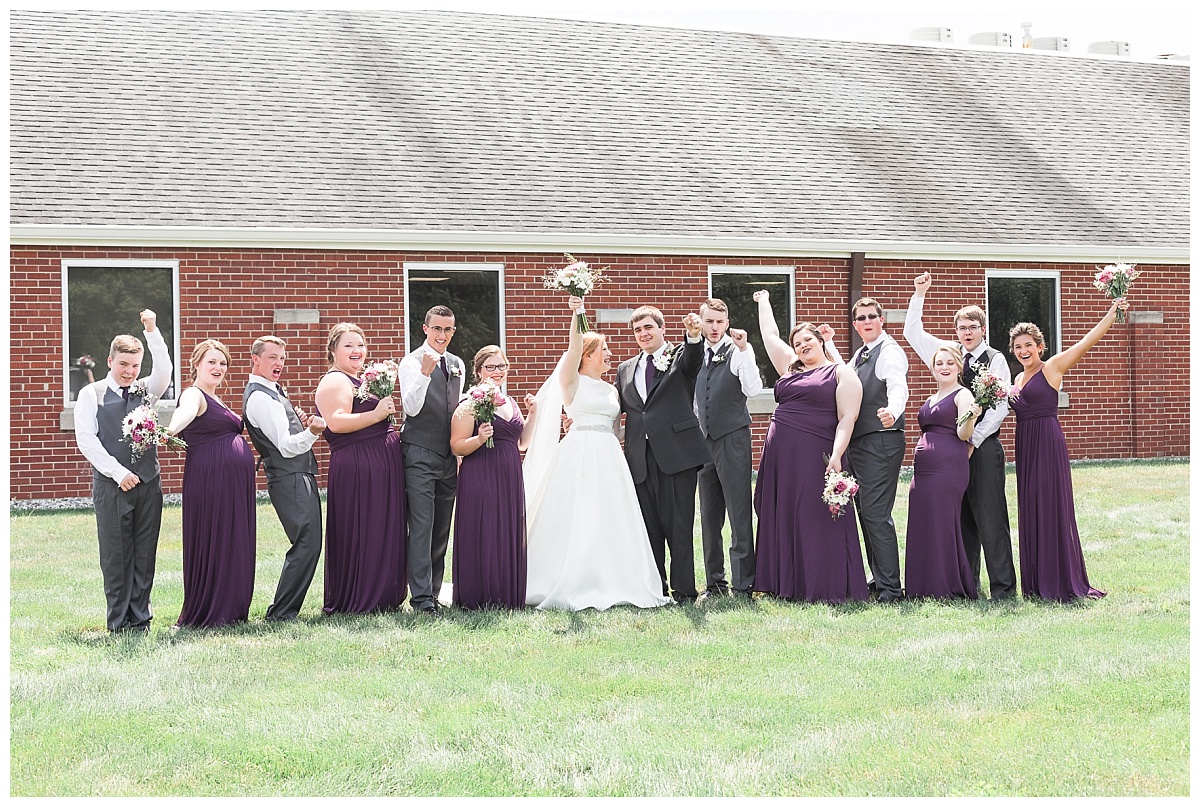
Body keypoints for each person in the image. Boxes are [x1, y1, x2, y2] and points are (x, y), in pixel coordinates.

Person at [524, 297, 671, 611]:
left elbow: (617, 428)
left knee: (612, 517)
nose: (610, 354)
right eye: (603, 350)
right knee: (576, 515)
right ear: (588, 355)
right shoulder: (572, 382)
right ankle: (568, 577)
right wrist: (578, 313)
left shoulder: (612, 389)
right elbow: (573, 348)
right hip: (578, 455)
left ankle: (614, 578)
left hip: (609, 456)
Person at [904, 272, 1017, 600]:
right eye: (961, 328)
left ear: (982, 329)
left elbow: (999, 405)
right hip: (950, 458)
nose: (966, 333)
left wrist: (973, 440)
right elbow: (912, 332)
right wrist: (919, 293)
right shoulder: (948, 354)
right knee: (962, 520)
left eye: (972, 327)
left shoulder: (994, 358)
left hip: (980, 448)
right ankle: (968, 587)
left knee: (990, 518)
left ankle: (1004, 590)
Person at [752, 290, 868, 603]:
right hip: (780, 456)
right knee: (782, 512)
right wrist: (763, 301)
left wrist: (837, 455)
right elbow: (769, 335)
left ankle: (822, 585)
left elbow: (847, 419)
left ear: (820, 340)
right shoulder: (791, 367)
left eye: (808, 340)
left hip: (814, 453)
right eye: (798, 343)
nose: (802, 346)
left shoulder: (841, 372)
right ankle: (784, 583)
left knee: (814, 517)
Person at [1009, 299, 1127, 602]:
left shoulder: (1053, 367)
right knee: (1031, 506)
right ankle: (1036, 581)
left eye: (1029, 345)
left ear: (1040, 346)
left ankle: (1060, 579)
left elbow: (1086, 342)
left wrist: (1111, 315)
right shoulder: (1017, 379)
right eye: (1018, 347)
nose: (1024, 351)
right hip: (1025, 445)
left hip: (1047, 443)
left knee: (1050, 505)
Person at [73, 309, 173, 634]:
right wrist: (117, 473)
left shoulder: (146, 390)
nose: (129, 371)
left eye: (134, 366)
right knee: (116, 555)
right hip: (112, 486)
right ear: (109, 362)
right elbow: (86, 441)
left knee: (145, 553)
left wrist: (152, 330)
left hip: (148, 483)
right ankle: (118, 623)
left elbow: (165, 370)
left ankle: (140, 620)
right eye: (123, 365)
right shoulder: (92, 395)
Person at [615, 305, 710, 604]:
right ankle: (656, 590)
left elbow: (694, 360)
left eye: (648, 328)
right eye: (637, 330)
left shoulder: (681, 356)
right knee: (649, 528)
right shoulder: (625, 369)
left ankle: (684, 592)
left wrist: (694, 336)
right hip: (639, 458)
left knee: (678, 526)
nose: (643, 334)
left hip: (677, 454)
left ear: (661, 328)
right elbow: (623, 410)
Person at [314, 322, 406, 614]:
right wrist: (379, 414)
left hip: (381, 464)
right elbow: (337, 422)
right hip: (358, 466)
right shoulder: (335, 381)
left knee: (382, 526)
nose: (357, 351)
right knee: (364, 527)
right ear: (333, 351)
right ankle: (360, 595)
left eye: (360, 345)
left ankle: (382, 593)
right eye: (348, 346)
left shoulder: (361, 380)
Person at [166, 339, 256, 627]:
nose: (218, 368)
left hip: (232, 484)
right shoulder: (194, 394)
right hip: (211, 480)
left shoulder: (216, 398)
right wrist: (169, 430)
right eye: (211, 362)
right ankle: (210, 609)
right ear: (196, 365)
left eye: (222, 363)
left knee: (231, 538)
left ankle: (230, 606)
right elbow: (187, 411)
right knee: (215, 537)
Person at [243, 335, 326, 622]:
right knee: (306, 542)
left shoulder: (273, 391)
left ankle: (284, 610)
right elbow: (287, 446)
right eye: (272, 357)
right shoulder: (260, 396)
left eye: (282, 357)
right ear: (256, 359)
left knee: (309, 542)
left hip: (297, 474)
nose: (279, 363)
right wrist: (313, 432)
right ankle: (281, 613)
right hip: (288, 476)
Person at [450, 346, 537, 610]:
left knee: (506, 529)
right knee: (483, 528)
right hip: (480, 473)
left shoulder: (510, 403)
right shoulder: (469, 404)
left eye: (501, 366)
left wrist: (533, 413)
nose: (497, 372)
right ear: (478, 372)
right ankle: (478, 594)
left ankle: (505, 593)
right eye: (491, 367)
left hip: (509, 473)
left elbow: (522, 443)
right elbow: (456, 445)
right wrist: (479, 438)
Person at [694, 297, 763, 601]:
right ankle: (714, 583)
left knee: (738, 511)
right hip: (702, 440)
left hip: (733, 438)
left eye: (720, 322)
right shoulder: (693, 353)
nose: (715, 327)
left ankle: (744, 584)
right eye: (709, 321)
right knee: (708, 515)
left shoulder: (737, 352)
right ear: (701, 321)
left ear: (727, 322)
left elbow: (753, 389)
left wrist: (746, 350)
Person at [842, 297, 910, 603]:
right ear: (855, 325)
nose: (867, 321)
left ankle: (891, 590)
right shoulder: (859, 354)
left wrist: (893, 411)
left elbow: (898, 386)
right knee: (865, 514)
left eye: (872, 316)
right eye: (861, 318)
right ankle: (879, 579)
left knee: (876, 514)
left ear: (881, 320)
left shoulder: (890, 352)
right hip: (860, 443)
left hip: (881, 441)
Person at [399, 305, 465, 616]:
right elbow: (411, 408)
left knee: (441, 530)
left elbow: (455, 411)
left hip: (447, 455)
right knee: (422, 527)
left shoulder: (457, 364)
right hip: (419, 452)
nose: (442, 335)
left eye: (448, 329)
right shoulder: (411, 362)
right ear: (425, 329)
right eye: (437, 328)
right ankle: (421, 599)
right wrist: (425, 372)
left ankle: (435, 594)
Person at [903, 344, 980, 600]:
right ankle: (921, 585)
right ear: (933, 368)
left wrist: (970, 418)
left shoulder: (963, 396)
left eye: (949, 362)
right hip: (923, 472)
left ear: (958, 366)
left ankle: (945, 586)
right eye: (939, 363)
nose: (944, 367)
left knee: (942, 524)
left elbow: (963, 434)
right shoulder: (930, 398)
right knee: (923, 522)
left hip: (948, 469)